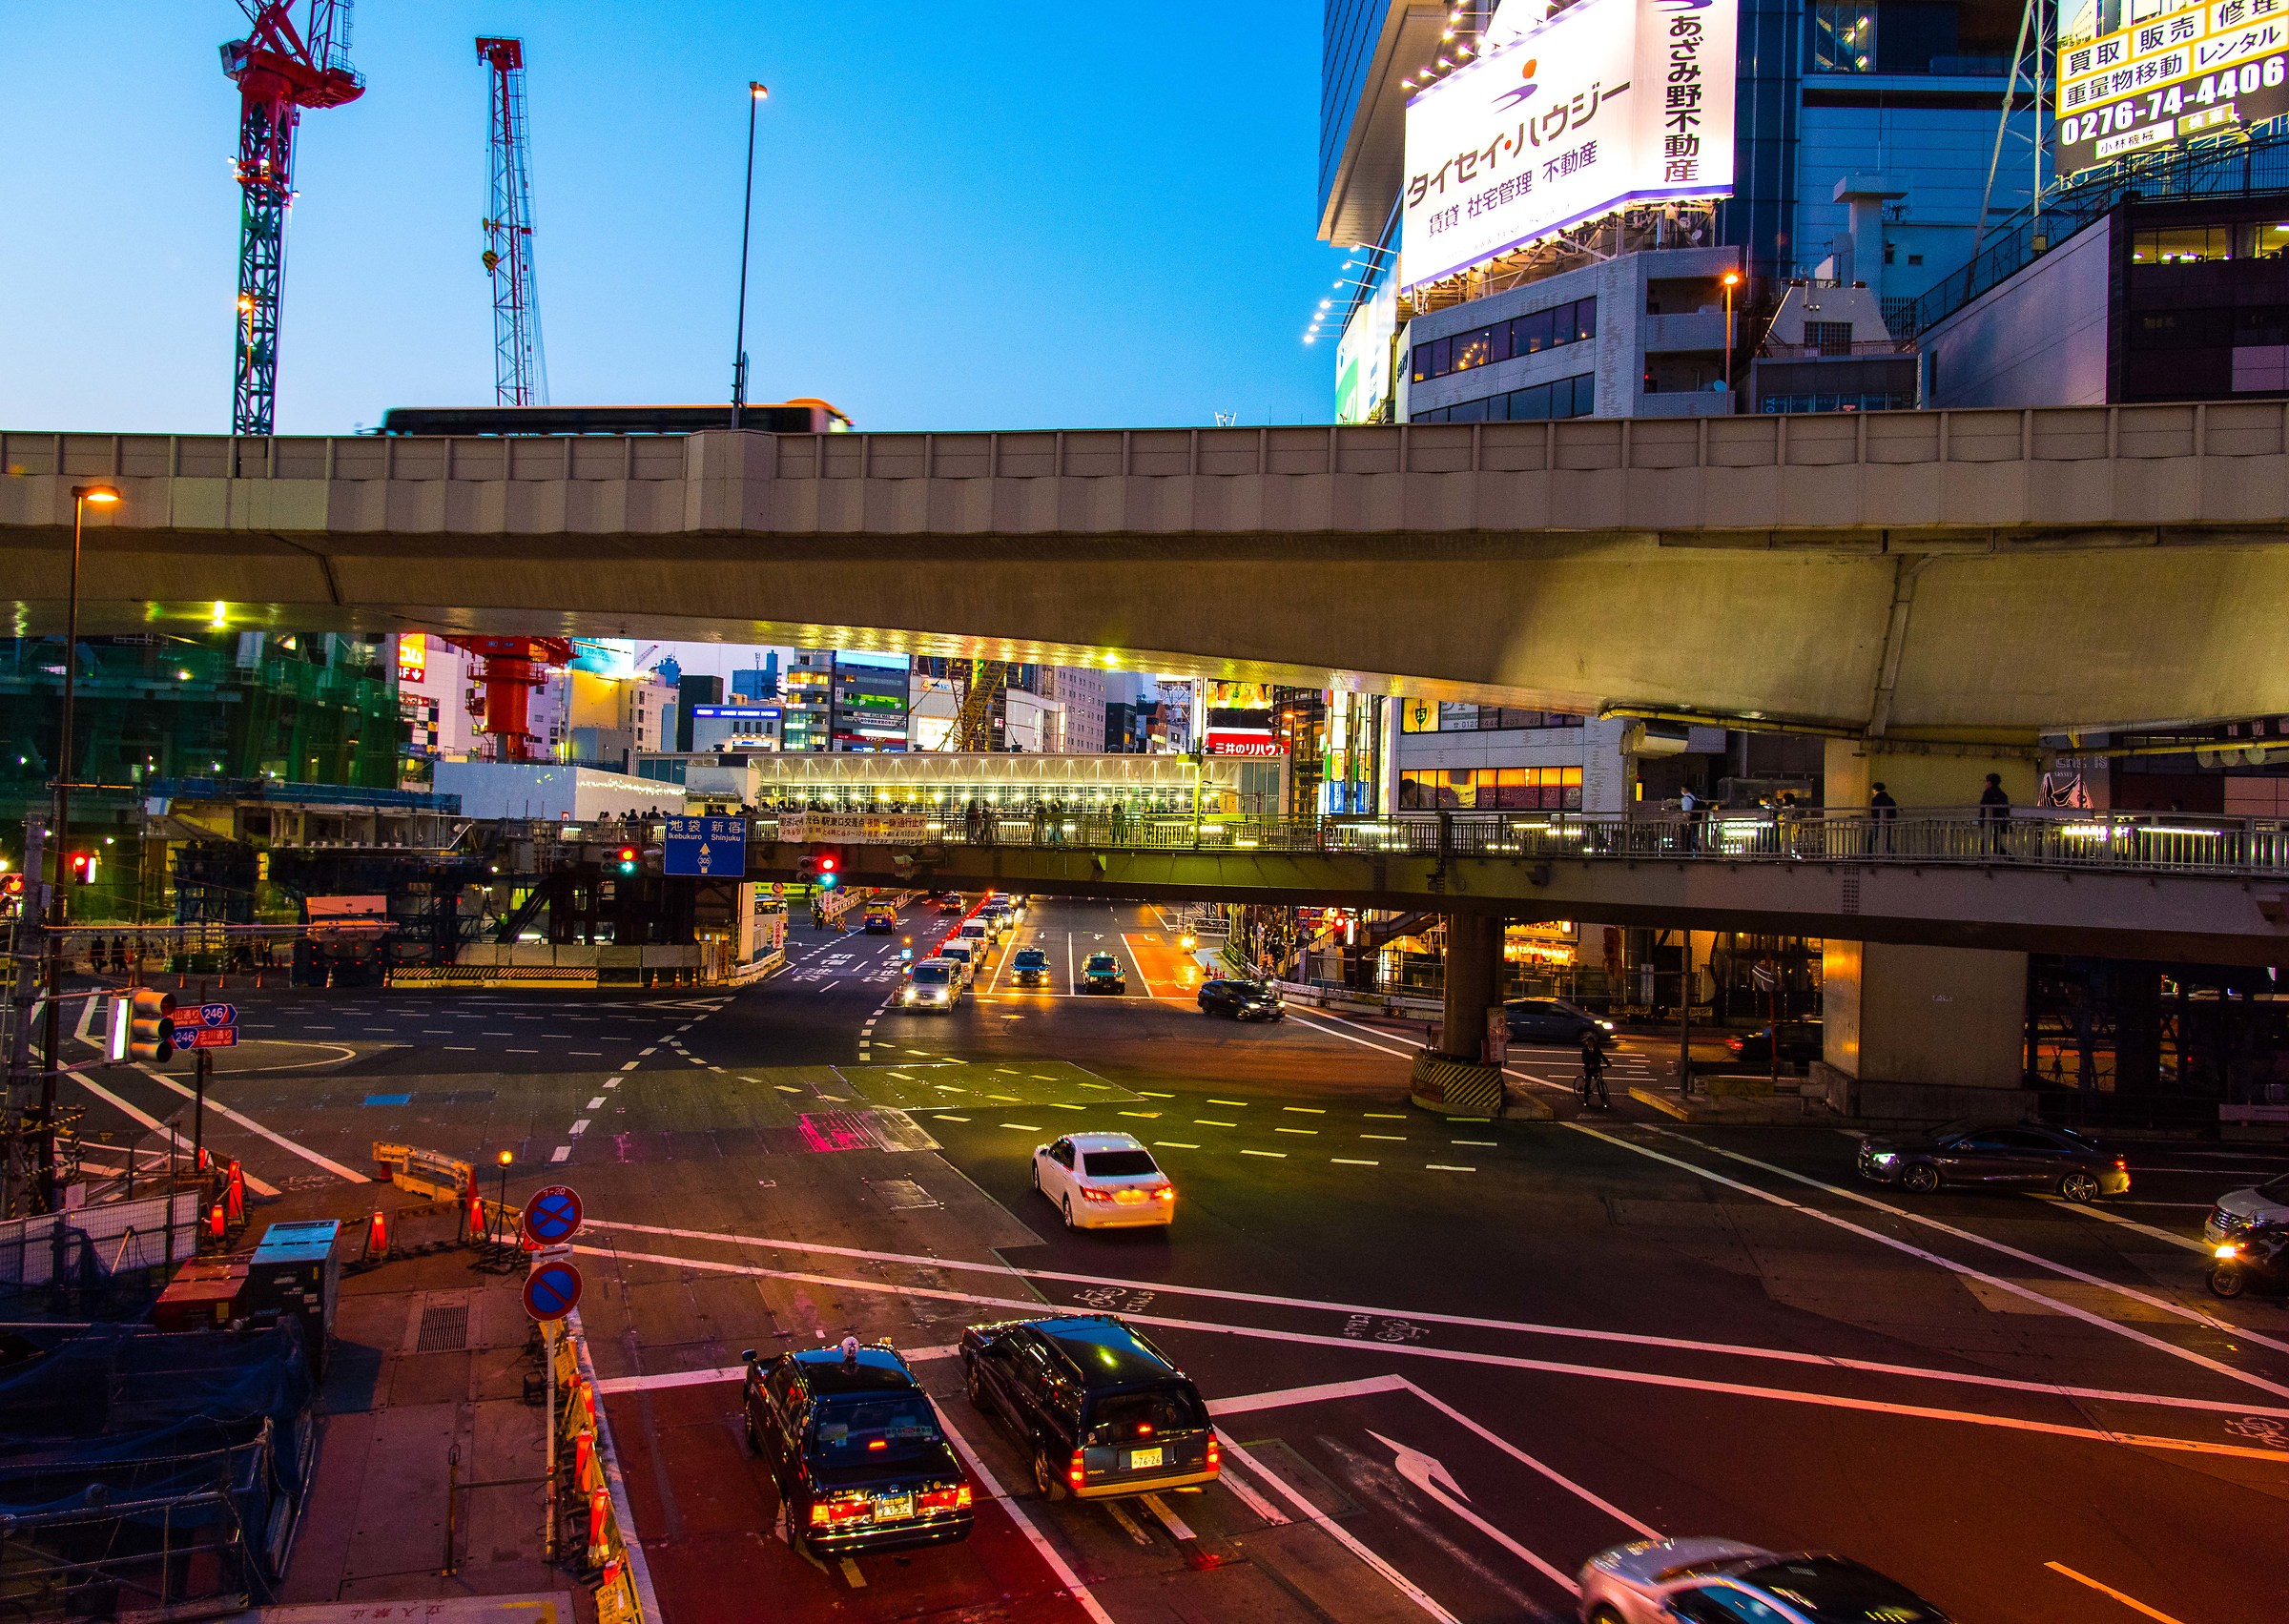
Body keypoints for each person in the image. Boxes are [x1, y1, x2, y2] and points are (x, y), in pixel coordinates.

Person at [1979, 771, 2011, 855]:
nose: (1985, 784)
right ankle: (2011, 859)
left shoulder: (1988, 793)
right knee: (1996, 844)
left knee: (1987, 844)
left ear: (1989, 782)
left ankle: (1984, 861)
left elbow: (1984, 807)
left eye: (1986, 781)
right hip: (1999, 822)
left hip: (1989, 822)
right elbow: (2006, 809)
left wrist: (1982, 821)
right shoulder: (2002, 794)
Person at [1578, 1029, 1609, 1110]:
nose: (1590, 1043)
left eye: (1591, 1042)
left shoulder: (1597, 1049)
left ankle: (1604, 1100)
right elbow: (1584, 1059)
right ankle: (1586, 1100)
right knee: (1588, 1084)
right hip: (1589, 1068)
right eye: (1589, 1042)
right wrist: (1589, 1064)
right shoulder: (1585, 1050)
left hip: (1596, 1068)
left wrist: (1608, 1063)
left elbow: (1602, 1056)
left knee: (1600, 1084)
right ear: (1587, 1043)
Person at [1869, 780, 1898, 854]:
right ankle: (1891, 855)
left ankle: (1869, 855)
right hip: (1887, 822)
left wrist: (1874, 820)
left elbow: (1874, 811)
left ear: (1875, 789)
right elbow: (1893, 810)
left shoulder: (1875, 799)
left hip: (1877, 822)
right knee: (1887, 839)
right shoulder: (1890, 799)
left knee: (1871, 839)